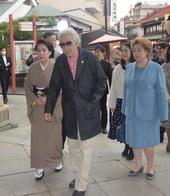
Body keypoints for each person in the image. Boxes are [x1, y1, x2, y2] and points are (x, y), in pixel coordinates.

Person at [44, 29, 106, 196]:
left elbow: (102, 82)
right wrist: (48, 108)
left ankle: (81, 186)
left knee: (85, 149)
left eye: (68, 43)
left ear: (77, 43)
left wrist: (93, 100)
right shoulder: (61, 61)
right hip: (70, 113)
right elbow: (55, 86)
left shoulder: (90, 58)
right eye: (62, 44)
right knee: (73, 149)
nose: (65, 47)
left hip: (88, 111)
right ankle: (80, 176)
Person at [122, 37, 168, 180]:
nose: (136, 53)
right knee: (135, 141)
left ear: (147, 52)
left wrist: (163, 115)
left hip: (149, 112)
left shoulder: (156, 68)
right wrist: (124, 108)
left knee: (148, 142)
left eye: (139, 50)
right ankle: (137, 165)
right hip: (132, 112)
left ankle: (150, 166)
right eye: (134, 50)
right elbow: (126, 90)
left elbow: (161, 93)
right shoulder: (129, 68)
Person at [24, 39, 63, 180]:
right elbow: (28, 88)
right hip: (38, 107)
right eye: (38, 50)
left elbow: (62, 88)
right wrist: (35, 100)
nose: (41, 53)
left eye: (44, 50)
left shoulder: (57, 66)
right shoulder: (32, 68)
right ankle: (39, 165)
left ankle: (57, 160)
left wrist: (49, 99)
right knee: (38, 139)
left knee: (54, 137)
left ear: (50, 52)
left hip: (53, 106)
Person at [108, 43, 134, 161]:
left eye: (126, 50)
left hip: (132, 102)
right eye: (122, 51)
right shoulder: (117, 68)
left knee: (131, 126)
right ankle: (126, 146)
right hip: (120, 101)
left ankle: (132, 148)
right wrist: (112, 104)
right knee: (122, 126)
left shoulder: (136, 67)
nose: (124, 53)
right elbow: (113, 87)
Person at [94, 45, 112, 134]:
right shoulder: (92, 63)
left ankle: (103, 127)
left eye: (98, 52)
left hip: (103, 90)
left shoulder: (107, 64)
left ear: (103, 53)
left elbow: (110, 78)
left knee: (103, 108)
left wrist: (112, 89)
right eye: (95, 52)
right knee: (95, 108)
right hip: (93, 90)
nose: (96, 54)